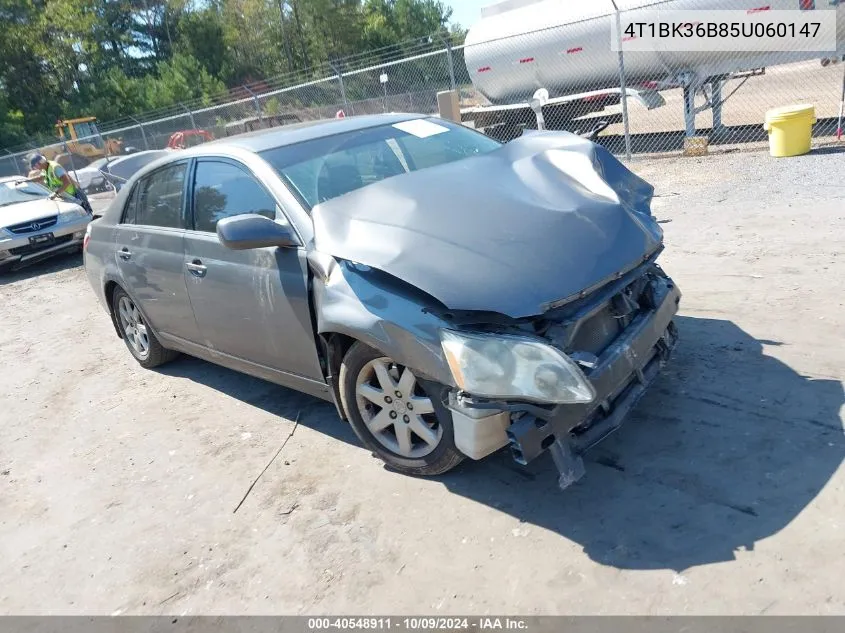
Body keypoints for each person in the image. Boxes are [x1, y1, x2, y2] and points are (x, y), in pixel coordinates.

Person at [28, 154, 93, 214]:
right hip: (64, 195)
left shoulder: (55, 168)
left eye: (35, 167)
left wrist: (56, 193)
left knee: (85, 213)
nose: (35, 169)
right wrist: (27, 180)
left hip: (73, 195)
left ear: (39, 163)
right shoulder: (45, 168)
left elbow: (67, 182)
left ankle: (83, 207)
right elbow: (41, 177)